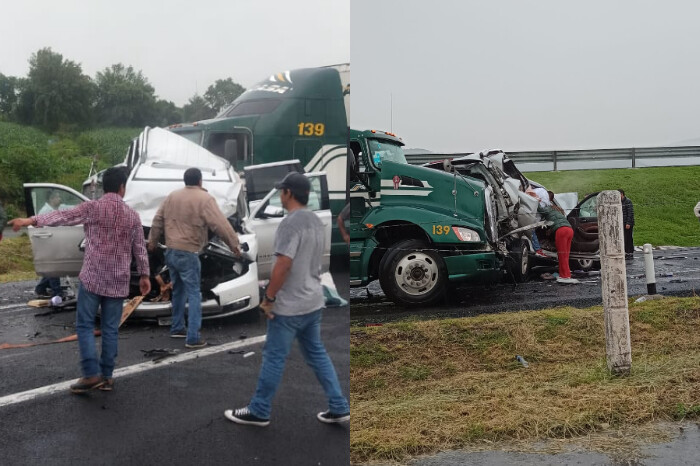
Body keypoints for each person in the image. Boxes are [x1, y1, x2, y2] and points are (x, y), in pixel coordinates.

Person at [9, 167, 151, 393]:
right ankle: (107, 376)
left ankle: (90, 374)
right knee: (111, 329)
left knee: (85, 325)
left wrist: (30, 220)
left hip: (93, 277)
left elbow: (62, 217)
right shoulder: (132, 216)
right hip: (117, 280)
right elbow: (140, 248)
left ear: (105, 187)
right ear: (123, 188)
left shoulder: (92, 208)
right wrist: (145, 274)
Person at [225, 172, 350, 427]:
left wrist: (269, 297)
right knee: (317, 354)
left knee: (274, 357)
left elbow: (283, 264)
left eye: (282, 191)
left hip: (289, 306)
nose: (280, 195)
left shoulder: (290, 224)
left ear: (288, 193)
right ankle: (338, 405)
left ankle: (259, 410)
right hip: (312, 301)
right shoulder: (316, 220)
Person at [147, 167, 241, 348]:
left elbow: (157, 219)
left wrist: (152, 242)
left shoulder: (172, 196)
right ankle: (193, 337)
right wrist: (234, 245)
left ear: (185, 181)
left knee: (178, 291)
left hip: (171, 251)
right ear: (200, 181)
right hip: (188, 252)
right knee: (194, 294)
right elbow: (220, 224)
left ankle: (177, 327)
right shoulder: (204, 199)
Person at [538, 204, 579, 284]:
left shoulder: (548, 209)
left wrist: (536, 202)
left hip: (561, 231)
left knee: (561, 255)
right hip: (569, 230)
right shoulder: (559, 213)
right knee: (566, 254)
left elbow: (541, 210)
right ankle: (565, 274)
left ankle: (565, 276)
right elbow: (556, 222)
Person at [619, 190, 635, 258]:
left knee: (628, 237)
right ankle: (626, 251)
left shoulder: (628, 201)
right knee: (624, 238)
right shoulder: (619, 202)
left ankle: (630, 251)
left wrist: (628, 223)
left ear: (622, 194)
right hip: (622, 222)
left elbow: (630, 213)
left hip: (627, 223)